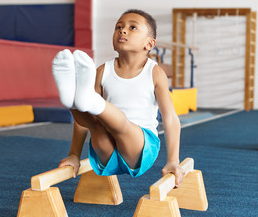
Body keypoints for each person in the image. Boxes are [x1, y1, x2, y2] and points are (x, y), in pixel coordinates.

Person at [52, 9, 184, 186]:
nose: (122, 30)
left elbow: (170, 118)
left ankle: (84, 101)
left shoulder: (154, 73)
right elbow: (82, 123)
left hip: (141, 148)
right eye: (118, 27)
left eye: (132, 27)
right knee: (94, 123)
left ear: (149, 44)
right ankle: (71, 100)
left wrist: (173, 160)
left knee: (121, 124)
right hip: (106, 152)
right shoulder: (102, 71)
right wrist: (74, 155)